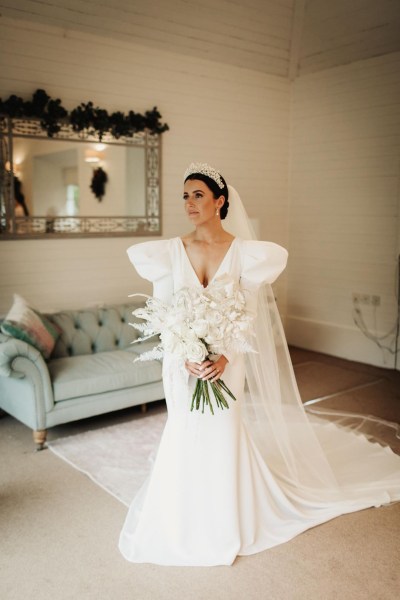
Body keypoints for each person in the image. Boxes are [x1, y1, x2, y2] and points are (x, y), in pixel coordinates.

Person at [119, 163, 400, 567]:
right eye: (184, 196)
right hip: (183, 367)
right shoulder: (166, 253)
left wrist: (225, 357)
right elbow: (164, 316)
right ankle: (182, 514)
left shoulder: (249, 255)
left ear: (221, 201)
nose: (189, 203)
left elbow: (248, 316)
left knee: (223, 430)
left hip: (227, 363)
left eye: (198, 195)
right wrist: (187, 357)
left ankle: (226, 517)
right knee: (184, 428)